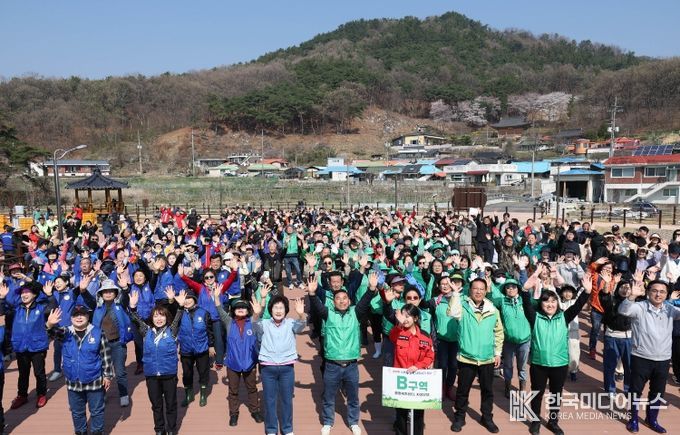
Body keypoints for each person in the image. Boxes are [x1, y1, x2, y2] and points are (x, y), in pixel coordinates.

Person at [520, 273, 591, 435]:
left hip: (560, 364)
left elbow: (577, 306)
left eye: (553, 301)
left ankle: (553, 422)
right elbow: (526, 304)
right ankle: (535, 421)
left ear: (557, 303)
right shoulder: (535, 317)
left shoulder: (564, 317)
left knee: (556, 395)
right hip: (539, 364)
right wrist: (524, 290)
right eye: (546, 301)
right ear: (541, 303)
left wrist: (587, 292)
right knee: (537, 394)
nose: (550, 304)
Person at [309, 273, 375, 435]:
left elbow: (365, 301)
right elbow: (317, 306)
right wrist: (312, 293)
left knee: (353, 398)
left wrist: (371, 289)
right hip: (332, 364)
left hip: (351, 365)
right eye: (338, 298)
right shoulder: (328, 314)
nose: (342, 301)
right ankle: (328, 422)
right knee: (329, 397)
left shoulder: (355, 313)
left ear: (349, 301)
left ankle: (353, 422)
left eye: (345, 298)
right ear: (333, 302)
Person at [618, 279, 680, 433]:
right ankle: (633, 419)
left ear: (666, 295)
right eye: (655, 291)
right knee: (635, 390)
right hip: (641, 357)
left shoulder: (670, 309)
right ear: (648, 292)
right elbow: (623, 311)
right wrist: (632, 296)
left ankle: (652, 419)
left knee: (657, 392)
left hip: (663, 359)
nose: (658, 294)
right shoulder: (640, 307)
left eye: (662, 292)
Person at [46, 305, 113, 435]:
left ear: (88, 317)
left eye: (82, 314)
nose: (79, 317)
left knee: (97, 411)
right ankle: (80, 431)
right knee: (77, 412)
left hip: (94, 380)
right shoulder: (64, 332)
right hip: (73, 381)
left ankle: (97, 432)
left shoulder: (98, 332)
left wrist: (107, 376)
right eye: (76, 315)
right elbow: (49, 333)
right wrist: (49, 324)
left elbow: (106, 355)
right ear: (71, 318)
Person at [447, 278, 503, 433]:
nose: (478, 291)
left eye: (481, 289)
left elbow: (498, 332)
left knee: (487, 391)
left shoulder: (492, 310)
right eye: (475, 288)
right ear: (470, 290)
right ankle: (460, 417)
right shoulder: (462, 306)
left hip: (487, 358)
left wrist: (497, 353)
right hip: (467, 357)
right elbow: (452, 313)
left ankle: (487, 417)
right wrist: (455, 294)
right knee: (462, 390)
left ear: (486, 291)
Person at [129, 289, 182, 435]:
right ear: (152, 318)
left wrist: (178, 305)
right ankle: (159, 429)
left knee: (171, 404)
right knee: (156, 405)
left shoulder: (172, 330)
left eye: (162, 316)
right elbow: (135, 319)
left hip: (169, 374)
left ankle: (171, 429)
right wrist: (132, 307)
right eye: (156, 316)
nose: (159, 319)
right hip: (152, 375)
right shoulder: (147, 331)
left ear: (166, 317)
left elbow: (178, 318)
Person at [252, 293, 306, 435]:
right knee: (269, 400)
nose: (278, 311)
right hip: (267, 368)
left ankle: (287, 429)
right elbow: (255, 325)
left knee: (287, 400)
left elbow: (301, 326)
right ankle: (271, 430)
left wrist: (301, 315)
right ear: (271, 309)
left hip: (287, 368)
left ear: (286, 310)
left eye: (281, 308)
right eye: (275, 307)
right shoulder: (264, 323)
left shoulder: (290, 323)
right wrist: (256, 314)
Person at [214, 290, 264, 426]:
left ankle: (255, 410)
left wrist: (263, 298)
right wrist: (216, 297)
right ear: (233, 311)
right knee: (233, 391)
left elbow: (259, 313)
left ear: (248, 310)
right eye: (238, 308)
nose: (241, 309)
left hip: (249, 362)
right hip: (233, 363)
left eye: (243, 307)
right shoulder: (229, 322)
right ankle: (234, 413)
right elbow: (219, 310)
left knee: (252, 388)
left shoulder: (252, 322)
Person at [2, 281, 52, 410]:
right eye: (22, 293)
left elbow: (53, 309)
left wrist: (49, 295)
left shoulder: (41, 307)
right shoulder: (16, 309)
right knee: (23, 373)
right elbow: (3, 310)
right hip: (20, 345)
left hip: (37, 345)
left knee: (39, 372)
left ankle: (41, 394)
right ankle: (22, 395)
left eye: (27, 292)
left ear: (34, 294)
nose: (24, 295)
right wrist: (2, 298)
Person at [389, 304, 435, 435]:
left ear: (415, 318)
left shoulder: (425, 336)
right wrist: (399, 324)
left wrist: (418, 366)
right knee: (401, 415)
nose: (405, 319)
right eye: (403, 315)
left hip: (418, 382)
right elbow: (392, 336)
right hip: (401, 381)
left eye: (408, 316)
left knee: (418, 415)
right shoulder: (398, 332)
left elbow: (430, 356)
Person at [173, 288, 214, 408]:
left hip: (202, 348)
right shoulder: (179, 312)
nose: (186, 301)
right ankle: (189, 395)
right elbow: (173, 325)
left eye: (189, 298)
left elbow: (210, 331)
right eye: (184, 299)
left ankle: (203, 395)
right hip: (186, 349)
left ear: (194, 299)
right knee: (187, 373)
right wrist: (173, 302)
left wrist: (211, 346)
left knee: (203, 372)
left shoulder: (204, 313)